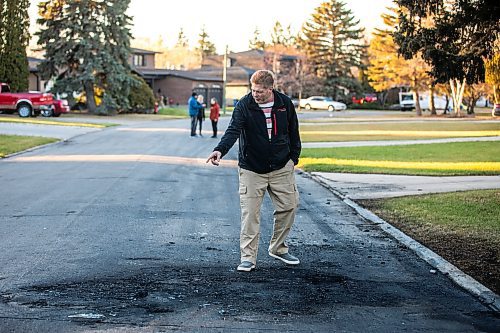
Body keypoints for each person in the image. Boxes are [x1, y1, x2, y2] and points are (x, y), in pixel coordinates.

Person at [206, 70, 301, 272]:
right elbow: (233, 130)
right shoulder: (244, 105)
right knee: (250, 214)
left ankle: (278, 248)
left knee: (290, 206)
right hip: (252, 168)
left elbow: (294, 132)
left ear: (270, 88)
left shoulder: (284, 104)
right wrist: (219, 150)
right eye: (253, 90)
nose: (255, 94)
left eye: (259, 91)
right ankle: (248, 257)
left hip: (281, 166)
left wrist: (293, 158)